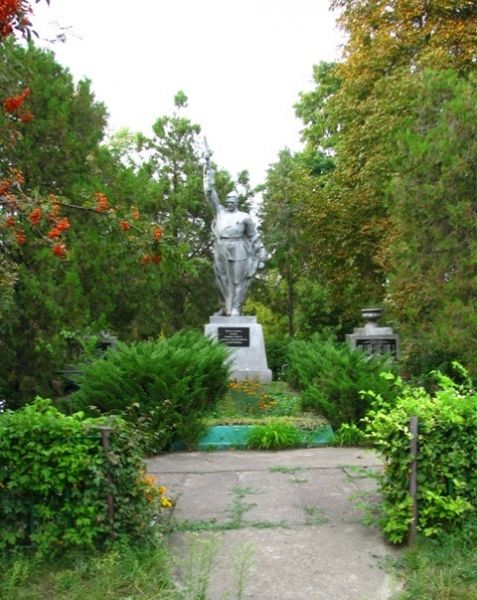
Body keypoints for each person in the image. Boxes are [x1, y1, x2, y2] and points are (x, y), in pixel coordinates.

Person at [203, 142, 267, 316]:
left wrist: (261, 253)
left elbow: (254, 236)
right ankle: (226, 306)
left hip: (238, 248)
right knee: (221, 279)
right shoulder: (220, 211)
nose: (230, 202)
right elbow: (209, 191)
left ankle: (236, 307)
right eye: (228, 199)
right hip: (221, 248)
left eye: (233, 199)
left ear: (237, 201)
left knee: (238, 280)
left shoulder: (244, 217)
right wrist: (207, 165)